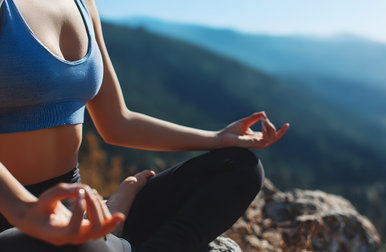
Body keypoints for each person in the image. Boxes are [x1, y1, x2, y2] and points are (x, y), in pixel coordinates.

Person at [0, 0, 289, 251]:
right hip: (10, 213)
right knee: (73, 245)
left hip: (73, 206)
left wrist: (217, 138)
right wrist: (24, 210)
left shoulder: (82, 3)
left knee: (239, 168)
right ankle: (113, 240)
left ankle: (112, 238)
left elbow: (118, 123)